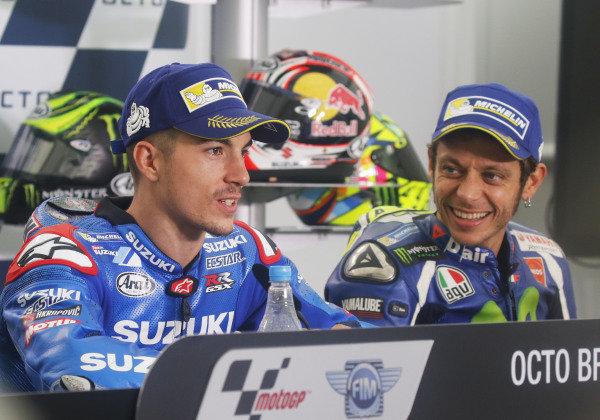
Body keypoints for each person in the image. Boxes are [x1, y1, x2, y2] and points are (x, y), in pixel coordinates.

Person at [0, 62, 361, 392]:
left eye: (244, 151)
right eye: (216, 150)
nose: (241, 175)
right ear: (149, 160)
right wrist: (239, 374)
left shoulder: (247, 251)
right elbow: (75, 370)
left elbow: (345, 337)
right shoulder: (63, 251)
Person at [325, 83, 576, 325]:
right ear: (432, 165)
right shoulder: (386, 260)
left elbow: (569, 363)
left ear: (531, 182)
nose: (467, 193)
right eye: (452, 169)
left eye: (492, 176)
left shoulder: (547, 257)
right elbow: (365, 366)